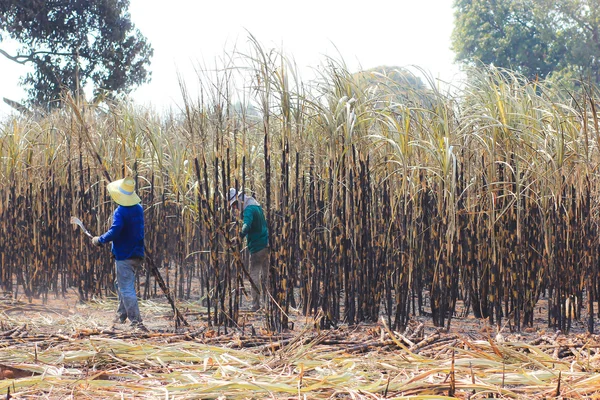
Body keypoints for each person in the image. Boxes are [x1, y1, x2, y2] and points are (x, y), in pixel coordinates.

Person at [92, 177, 147, 331]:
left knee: (126, 288)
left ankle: (136, 322)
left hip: (125, 255)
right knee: (120, 283)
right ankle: (121, 315)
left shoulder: (120, 211)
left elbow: (115, 231)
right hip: (137, 253)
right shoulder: (138, 208)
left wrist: (99, 240)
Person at [228, 188, 269, 311]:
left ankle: (256, 304)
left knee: (254, 274)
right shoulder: (256, 205)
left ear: (239, 200)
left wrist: (239, 236)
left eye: (235, 205)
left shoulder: (249, 210)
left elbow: (246, 225)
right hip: (267, 243)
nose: (235, 208)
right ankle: (267, 304)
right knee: (265, 274)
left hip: (257, 247)